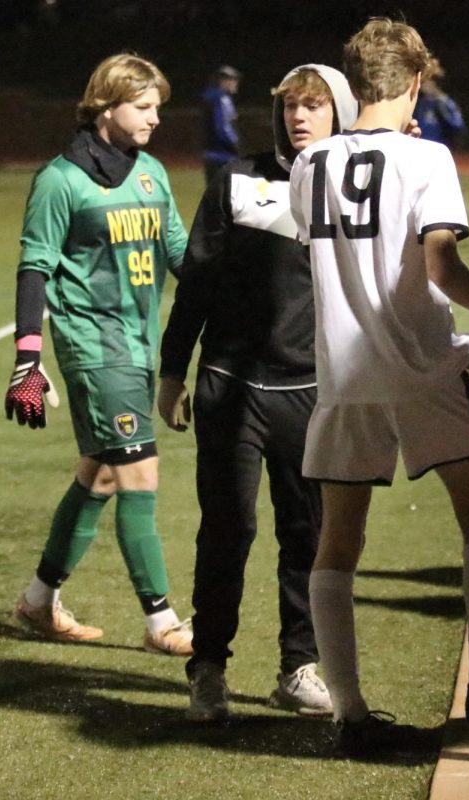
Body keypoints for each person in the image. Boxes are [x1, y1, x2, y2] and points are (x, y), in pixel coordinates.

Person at [289, 18, 469, 756]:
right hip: (421, 375)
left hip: (344, 382)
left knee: (337, 545)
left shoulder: (308, 164)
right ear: (415, 82)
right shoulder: (427, 159)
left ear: (352, 87)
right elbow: (440, 267)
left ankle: (348, 714)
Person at [158, 64, 360, 722]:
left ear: (341, 113)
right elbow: (197, 281)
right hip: (231, 383)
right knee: (228, 530)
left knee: (306, 532)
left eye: (315, 106)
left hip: (312, 391)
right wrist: (172, 369)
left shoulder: (349, 184)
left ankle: (298, 665)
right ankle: (208, 667)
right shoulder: (238, 179)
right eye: (291, 106)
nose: (300, 117)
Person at [5, 52, 193, 657]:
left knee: (104, 473)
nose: (155, 119)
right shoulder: (61, 180)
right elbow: (35, 266)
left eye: (157, 108)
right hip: (94, 348)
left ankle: (38, 600)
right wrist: (27, 358)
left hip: (139, 345)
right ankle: (162, 621)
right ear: (105, 107)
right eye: (143, 108)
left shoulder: (151, 174)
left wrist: (249, 289)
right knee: (140, 473)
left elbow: (180, 253)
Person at [414, 57, 466, 148]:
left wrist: (443, 114)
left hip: (440, 147)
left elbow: (458, 125)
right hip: (422, 147)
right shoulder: (422, 103)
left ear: (434, 82)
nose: (422, 86)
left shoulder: (444, 102)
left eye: (425, 82)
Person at [202, 65, 241, 184]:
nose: (235, 83)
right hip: (223, 156)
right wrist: (236, 144)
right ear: (223, 81)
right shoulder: (222, 99)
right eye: (233, 80)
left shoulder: (210, 98)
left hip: (210, 154)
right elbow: (223, 128)